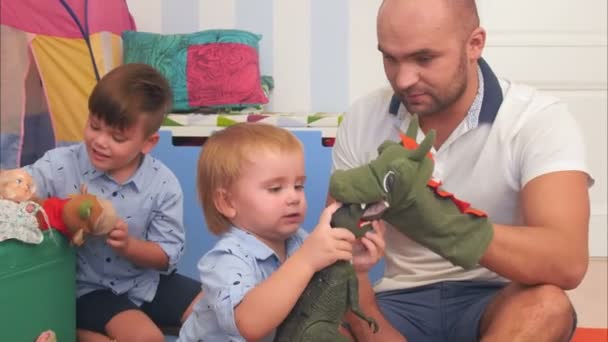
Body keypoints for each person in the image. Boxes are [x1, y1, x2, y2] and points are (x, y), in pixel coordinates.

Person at [331, 0, 593, 341]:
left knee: (547, 307)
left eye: (424, 58)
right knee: (317, 330)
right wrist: (378, 335)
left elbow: (566, 261)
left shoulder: (538, 119)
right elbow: (338, 255)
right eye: (390, 58)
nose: (404, 79)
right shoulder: (364, 116)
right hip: (397, 304)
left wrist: (440, 222)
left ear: (475, 44)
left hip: (496, 300)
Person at [24, 63, 203, 342]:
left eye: (117, 137)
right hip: (90, 289)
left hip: (148, 282)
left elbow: (166, 254)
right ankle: (76, 332)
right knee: (146, 338)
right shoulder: (60, 165)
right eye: (94, 126)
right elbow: (19, 187)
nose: (100, 141)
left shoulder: (162, 183)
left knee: (220, 312)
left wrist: (130, 246)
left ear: (148, 142)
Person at [177, 123, 386, 341]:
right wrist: (306, 261)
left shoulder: (301, 242)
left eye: (298, 186)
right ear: (227, 202)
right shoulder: (226, 259)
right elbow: (249, 325)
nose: (293, 197)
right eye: (275, 188)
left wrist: (353, 264)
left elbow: (325, 294)